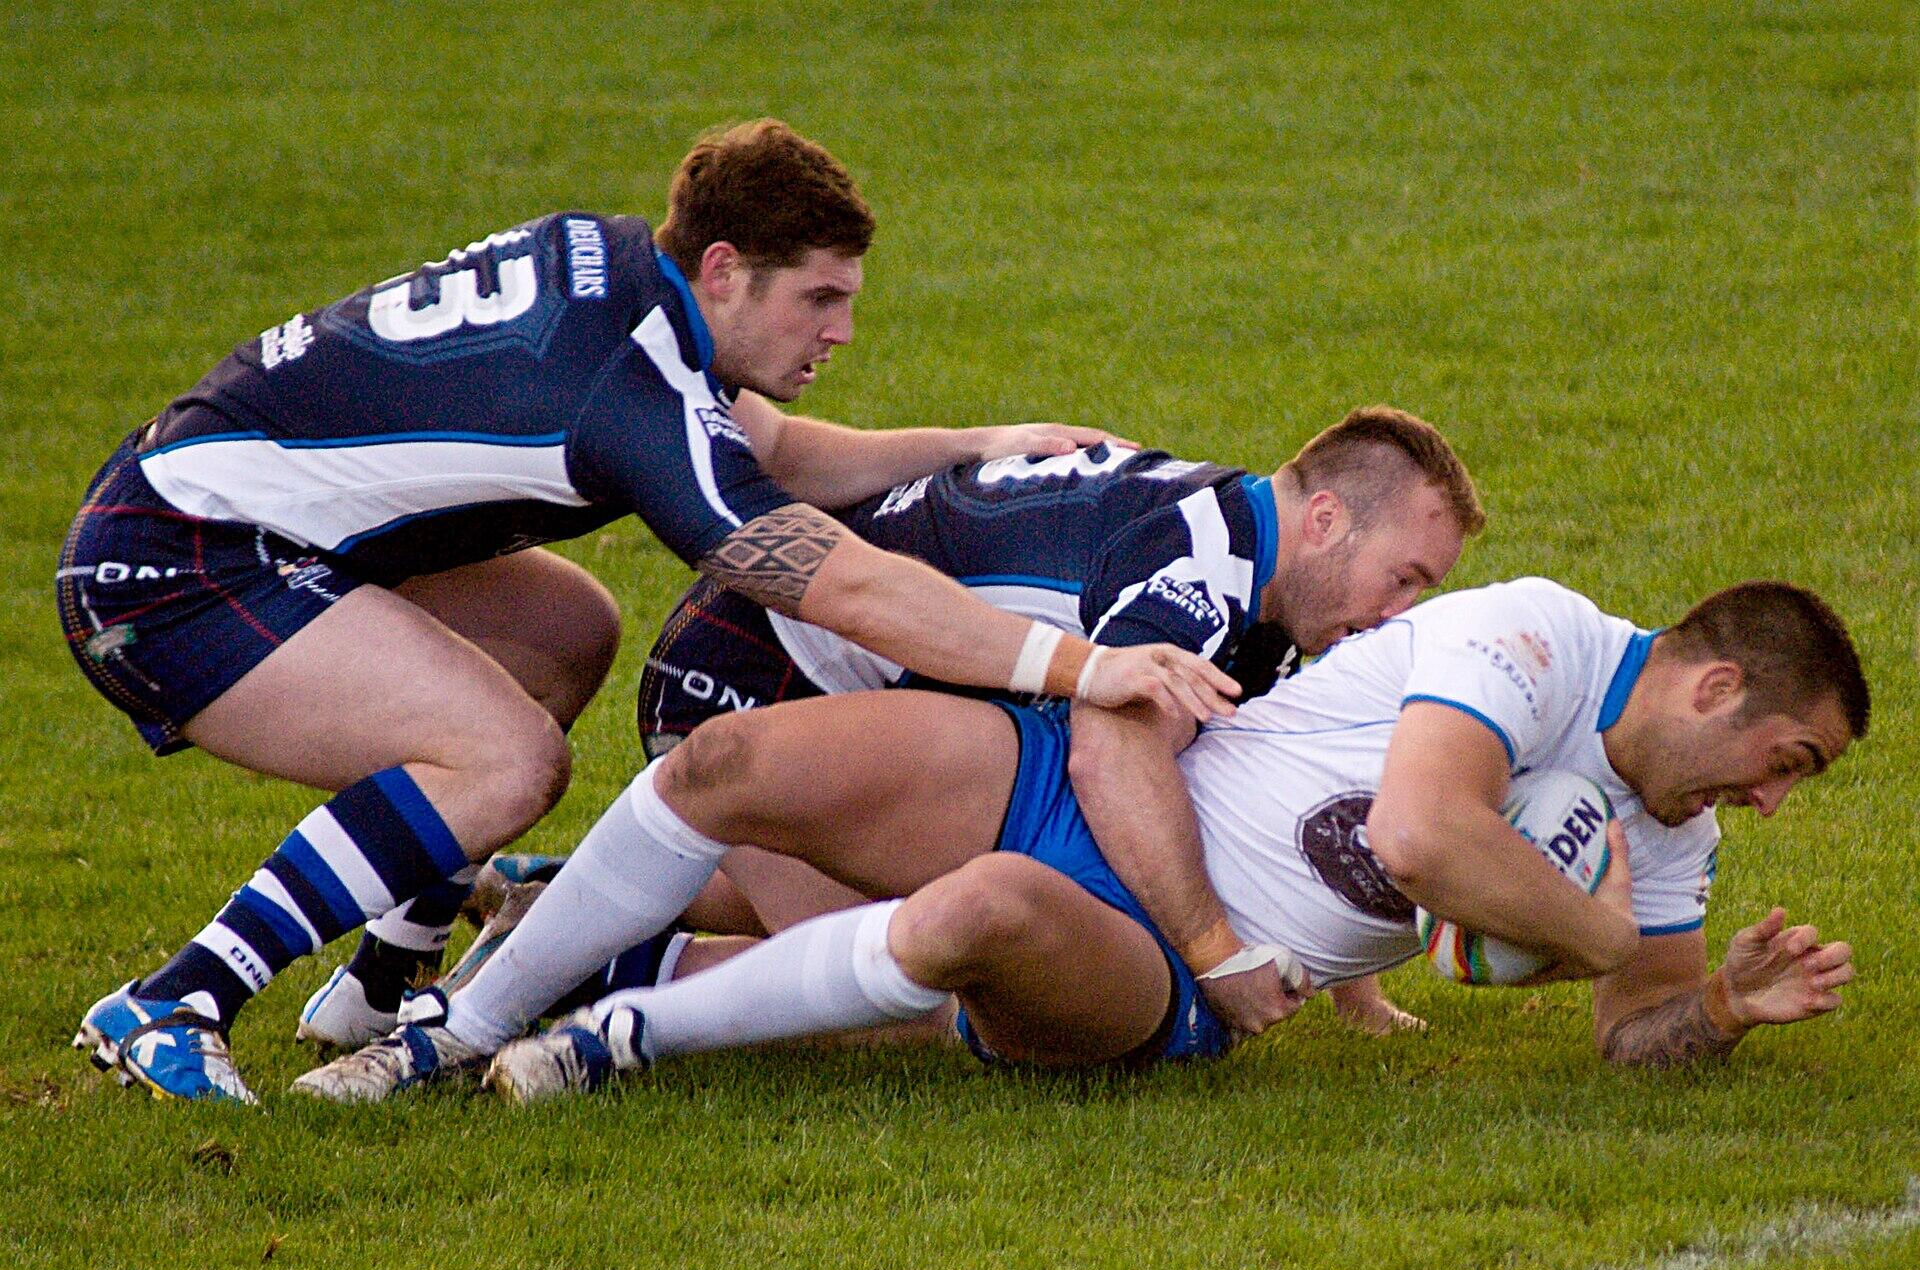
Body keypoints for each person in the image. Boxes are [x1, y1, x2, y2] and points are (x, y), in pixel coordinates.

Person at [60, 119, 1237, 1103]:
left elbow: (763, 450)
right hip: (177, 563)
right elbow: (852, 588)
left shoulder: (629, 276)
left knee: (568, 630)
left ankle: (380, 979)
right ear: (725, 269)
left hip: (222, 512)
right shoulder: (627, 391)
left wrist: (978, 443)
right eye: (819, 297)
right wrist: (1085, 667)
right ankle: (171, 1001)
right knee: (506, 757)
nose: (841, 329)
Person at [431, 575, 1863, 1099]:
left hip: (1171, 978)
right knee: (729, 764)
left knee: (976, 915)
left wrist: (1720, 1004)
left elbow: (1634, 1035)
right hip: (1093, 787)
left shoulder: (1669, 829)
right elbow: (1422, 838)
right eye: (1783, 761)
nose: (1773, 800)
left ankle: (613, 1025)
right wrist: (1602, 934)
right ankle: (458, 1015)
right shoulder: (1536, 635)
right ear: (1717, 688)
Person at [390, 404, 1483, 1054]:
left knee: (988, 908)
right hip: (747, 681)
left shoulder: (1266, 572)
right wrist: (1215, 952)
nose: (1397, 613)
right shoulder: (1199, 572)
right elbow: (1112, 750)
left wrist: (1356, 987)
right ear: (1329, 519)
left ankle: (562, 896)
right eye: (1405, 576)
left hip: (857, 678)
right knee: (923, 978)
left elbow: (1257, 786)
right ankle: (575, 965)